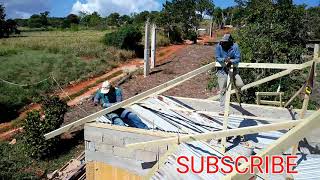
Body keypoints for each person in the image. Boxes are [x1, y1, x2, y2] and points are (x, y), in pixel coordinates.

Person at [215, 33, 244, 107]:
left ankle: (236, 95)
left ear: (229, 42)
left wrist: (231, 61)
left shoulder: (235, 46)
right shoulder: (219, 46)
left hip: (232, 70)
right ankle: (223, 106)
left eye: (225, 42)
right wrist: (224, 60)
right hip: (222, 70)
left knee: (240, 84)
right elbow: (217, 57)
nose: (223, 44)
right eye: (222, 42)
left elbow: (238, 58)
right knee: (223, 89)